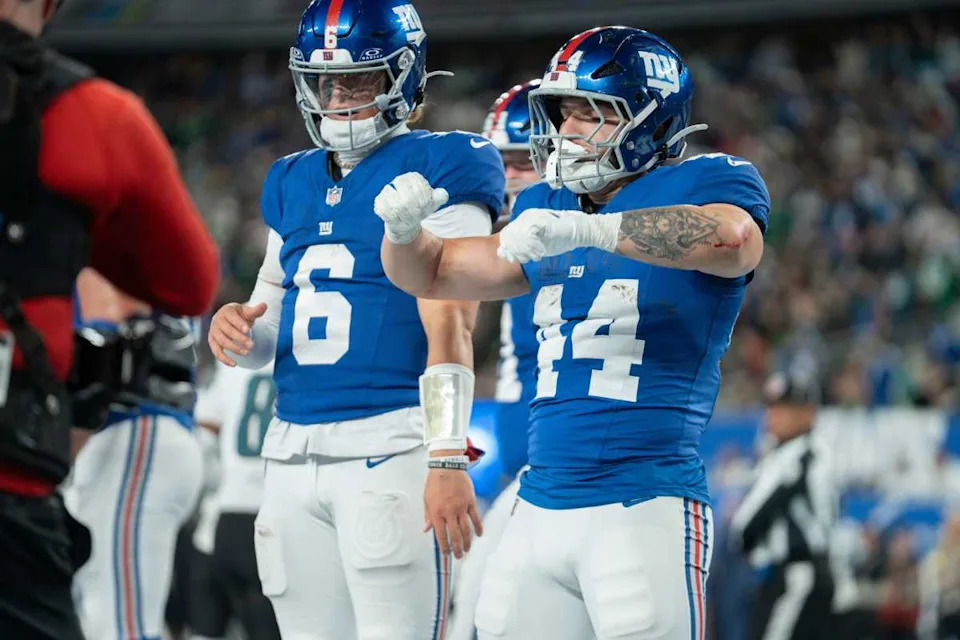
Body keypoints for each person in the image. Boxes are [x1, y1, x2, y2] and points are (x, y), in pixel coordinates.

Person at [373, 25, 770, 639]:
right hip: (539, 504)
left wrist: (592, 231)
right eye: (564, 113)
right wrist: (402, 234)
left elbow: (734, 240)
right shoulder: (546, 205)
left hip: (642, 503)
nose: (568, 130)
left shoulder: (709, 180)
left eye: (593, 113)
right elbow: (433, 272)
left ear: (651, 121)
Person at [205, 0, 504, 637]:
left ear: (404, 78)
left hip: (388, 444)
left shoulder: (447, 162)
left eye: (359, 81)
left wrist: (448, 455)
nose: (338, 99)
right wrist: (236, 328)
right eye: (326, 83)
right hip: (290, 451)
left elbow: (451, 322)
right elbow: (266, 327)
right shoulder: (290, 178)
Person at [0, 1, 218, 637]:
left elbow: (133, 313)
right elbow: (187, 282)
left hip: (129, 430)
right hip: (42, 451)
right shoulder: (92, 117)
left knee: (117, 620)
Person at [65, 268, 205, 640]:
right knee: (103, 619)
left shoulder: (110, 250)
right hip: (140, 437)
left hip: (131, 435)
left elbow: (103, 338)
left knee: (121, 627)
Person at [449, 79, 541, 640]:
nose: (507, 176)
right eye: (500, 162)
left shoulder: (571, 243)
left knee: (479, 615)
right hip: (523, 476)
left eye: (522, 161)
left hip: (558, 478)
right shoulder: (510, 242)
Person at [730, 367, 836, 640]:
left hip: (798, 575)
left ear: (807, 412)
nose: (773, 417)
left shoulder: (799, 455)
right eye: (772, 408)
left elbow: (745, 524)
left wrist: (746, 543)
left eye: (784, 408)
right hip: (796, 575)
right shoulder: (796, 453)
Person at [189, 360, 281, 640]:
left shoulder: (235, 364)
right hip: (279, 519)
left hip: (227, 518)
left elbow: (203, 439)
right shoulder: (304, 356)